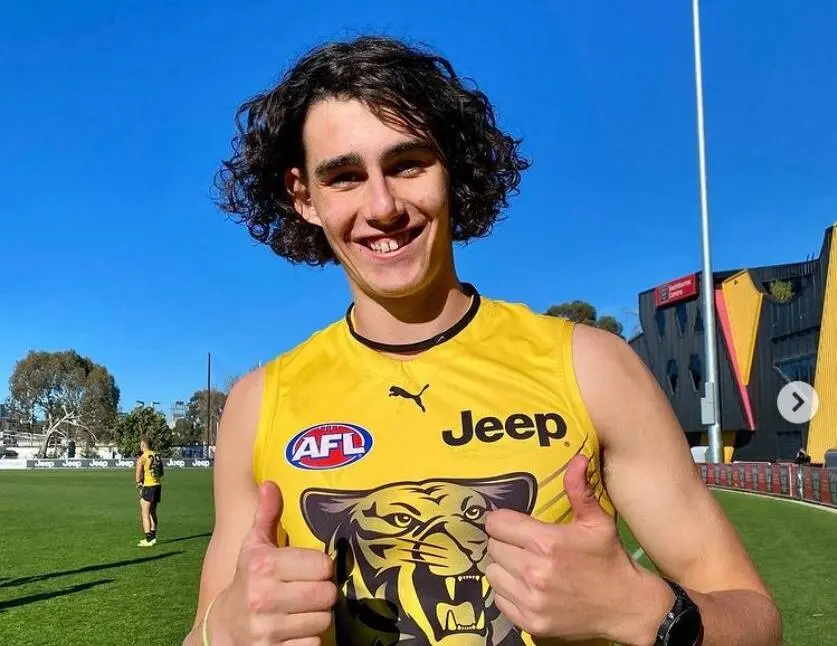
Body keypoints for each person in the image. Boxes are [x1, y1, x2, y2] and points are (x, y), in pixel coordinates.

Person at [184, 36, 782, 646]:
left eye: (407, 164)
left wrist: (644, 610)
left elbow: (757, 619)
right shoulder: (258, 404)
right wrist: (222, 633)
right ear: (304, 197)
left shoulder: (592, 366)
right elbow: (203, 631)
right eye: (344, 177)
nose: (382, 206)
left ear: (452, 168)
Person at [135, 436, 163, 547]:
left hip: (148, 486)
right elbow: (161, 472)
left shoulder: (142, 457)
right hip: (157, 485)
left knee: (145, 512)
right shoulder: (157, 455)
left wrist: (139, 483)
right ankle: (153, 536)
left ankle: (148, 539)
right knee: (152, 512)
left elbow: (138, 476)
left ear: (143, 445)